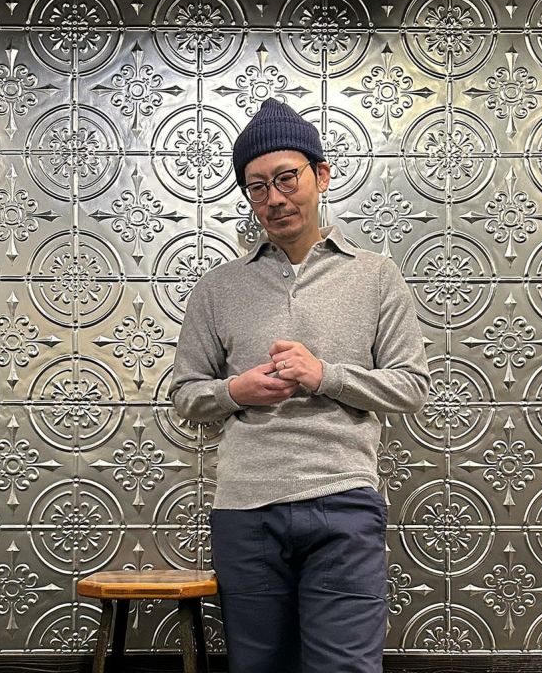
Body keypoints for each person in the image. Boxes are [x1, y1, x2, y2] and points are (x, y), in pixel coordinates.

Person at [168, 98, 431, 673]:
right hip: (245, 509)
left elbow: (412, 386)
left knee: (346, 666)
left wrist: (325, 376)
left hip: (344, 502)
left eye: (286, 178)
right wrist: (235, 393)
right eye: (257, 187)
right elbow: (185, 394)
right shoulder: (218, 287)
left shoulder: (375, 274)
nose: (274, 198)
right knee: (258, 667)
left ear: (321, 176)